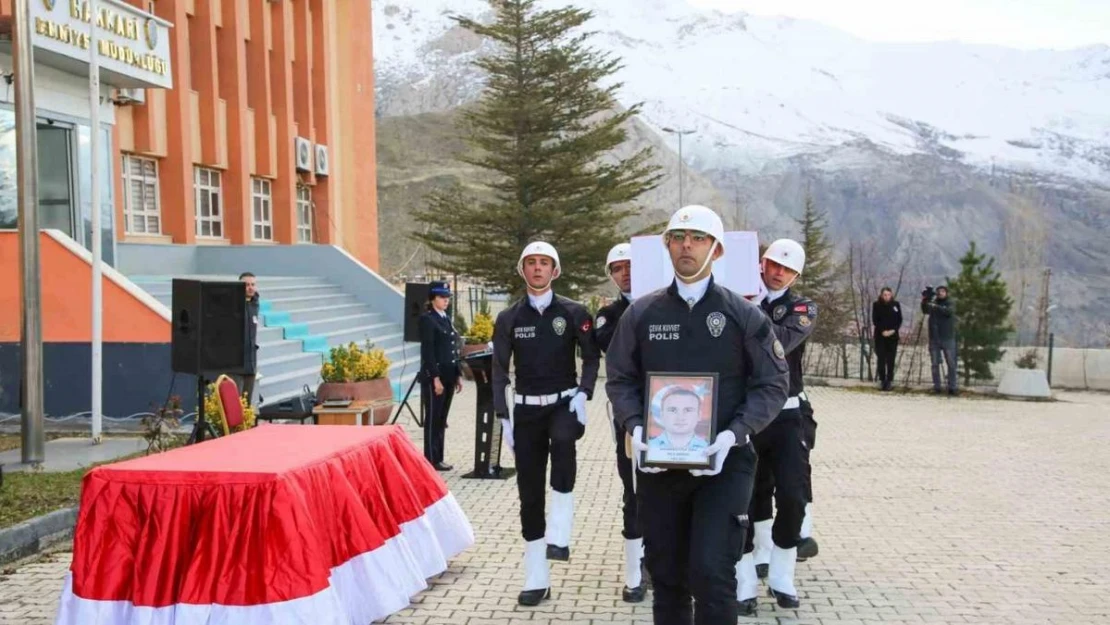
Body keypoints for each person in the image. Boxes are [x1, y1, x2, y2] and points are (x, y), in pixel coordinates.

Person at [606, 204, 789, 625]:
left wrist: (735, 435)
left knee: (712, 574)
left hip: (724, 466)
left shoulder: (743, 315)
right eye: (678, 238)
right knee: (667, 577)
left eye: (698, 238)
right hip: (658, 467)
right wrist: (635, 426)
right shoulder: (642, 314)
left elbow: (772, 383)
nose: (687, 246)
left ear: (718, 251)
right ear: (666, 246)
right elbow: (619, 379)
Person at [492, 241, 600, 606]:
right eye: (531, 263)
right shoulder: (509, 318)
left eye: (544, 263)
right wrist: (503, 415)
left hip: (564, 403)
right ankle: (537, 576)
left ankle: (561, 532)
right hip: (526, 412)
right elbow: (498, 370)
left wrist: (585, 392)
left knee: (564, 441)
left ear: (556, 270)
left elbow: (590, 357)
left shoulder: (574, 312)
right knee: (529, 492)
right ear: (521, 269)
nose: (537, 268)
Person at [736, 238, 817, 615]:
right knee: (743, 498)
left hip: (786, 415)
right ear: (761, 263)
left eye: (786, 268)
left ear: (796, 274)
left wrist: (747, 309)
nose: (777, 271)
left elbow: (781, 341)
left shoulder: (801, 307)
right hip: (748, 412)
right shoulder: (736, 297)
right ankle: (744, 576)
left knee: (793, 495)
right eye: (772, 263)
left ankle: (782, 574)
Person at [593, 242, 648, 603]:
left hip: (673, 410)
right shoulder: (609, 315)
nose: (625, 273)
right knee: (633, 489)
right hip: (630, 414)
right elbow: (613, 350)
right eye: (618, 268)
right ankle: (635, 571)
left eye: (630, 265)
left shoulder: (664, 305)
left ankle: (667, 561)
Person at [419, 280, 463, 471]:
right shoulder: (428, 319)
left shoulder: (445, 318)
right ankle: (430, 458)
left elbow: (452, 349)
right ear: (432, 299)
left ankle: (439, 457)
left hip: (449, 375)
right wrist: (435, 378)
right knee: (433, 418)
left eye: (447, 297)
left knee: (442, 418)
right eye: (441, 297)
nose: (446, 301)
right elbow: (428, 352)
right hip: (435, 377)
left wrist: (458, 374)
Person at [921, 285, 957, 395]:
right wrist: (925, 300)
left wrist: (935, 306)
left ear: (946, 293)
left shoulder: (950, 303)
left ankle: (952, 387)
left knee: (951, 363)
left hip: (947, 337)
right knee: (935, 363)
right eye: (938, 291)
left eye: (942, 291)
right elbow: (925, 310)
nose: (940, 293)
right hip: (934, 338)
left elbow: (948, 312)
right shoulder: (933, 303)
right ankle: (937, 387)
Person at [872, 287, 903, 391]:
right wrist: (883, 331)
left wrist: (893, 330)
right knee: (881, 359)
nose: (886, 297)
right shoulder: (876, 305)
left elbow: (899, 319)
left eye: (888, 295)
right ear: (881, 295)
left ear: (891, 295)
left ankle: (889, 380)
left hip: (893, 336)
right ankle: (882, 380)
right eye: (884, 295)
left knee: (891, 359)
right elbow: (875, 320)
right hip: (880, 336)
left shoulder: (896, 305)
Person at [238, 272, 260, 406]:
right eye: (246, 285)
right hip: (236, 365)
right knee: (235, 404)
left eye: (253, 284)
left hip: (251, 364)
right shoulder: (233, 305)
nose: (250, 288)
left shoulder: (255, 305)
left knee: (246, 405)